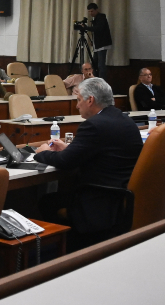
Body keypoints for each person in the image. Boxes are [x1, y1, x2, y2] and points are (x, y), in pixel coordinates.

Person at [35, 78, 142, 238]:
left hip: (99, 201)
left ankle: (69, 249)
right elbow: (100, 151)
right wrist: (70, 149)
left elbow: (65, 162)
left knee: (47, 202)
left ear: (90, 100)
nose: (77, 105)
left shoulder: (93, 125)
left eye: (79, 100)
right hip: (121, 197)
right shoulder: (125, 120)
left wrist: (43, 152)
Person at [84, 3, 112, 79]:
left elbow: (98, 29)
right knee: (94, 64)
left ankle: (102, 83)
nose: (91, 13)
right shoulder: (95, 18)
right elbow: (96, 31)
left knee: (101, 65)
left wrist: (86, 28)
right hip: (98, 44)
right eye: (89, 11)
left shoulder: (101, 17)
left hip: (102, 44)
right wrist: (93, 41)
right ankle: (95, 80)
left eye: (92, 11)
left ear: (97, 10)